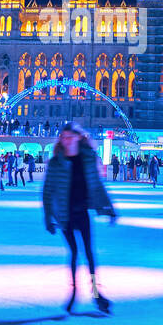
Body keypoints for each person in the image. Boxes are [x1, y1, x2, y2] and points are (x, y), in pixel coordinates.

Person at [42, 122, 117, 314]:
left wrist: (109, 208)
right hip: (65, 215)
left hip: (82, 212)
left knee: (89, 254)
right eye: (63, 137)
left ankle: (96, 293)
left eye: (69, 137)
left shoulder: (87, 159)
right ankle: (74, 293)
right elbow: (47, 191)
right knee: (74, 253)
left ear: (77, 137)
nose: (65, 140)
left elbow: (97, 185)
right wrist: (48, 217)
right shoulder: (56, 162)